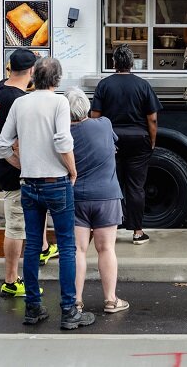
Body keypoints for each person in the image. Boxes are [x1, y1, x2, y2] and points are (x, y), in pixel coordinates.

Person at [0, 57, 95, 330]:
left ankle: (33, 308)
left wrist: (22, 165)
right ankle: (68, 310)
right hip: (57, 182)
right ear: (57, 80)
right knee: (66, 247)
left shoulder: (20, 103)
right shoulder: (60, 103)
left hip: (28, 184)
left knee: (31, 246)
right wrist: (72, 171)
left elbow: (2, 145)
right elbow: (63, 141)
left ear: (34, 76)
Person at [0, 49, 58, 299]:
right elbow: (15, 141)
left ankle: (41, 248)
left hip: (2, 167)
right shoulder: (16, 100)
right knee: (16, 226)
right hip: (12, 170)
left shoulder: (0, 89)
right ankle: (10, 280)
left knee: (34, 212)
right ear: (31, 71)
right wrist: (27, 165)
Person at [65, 88, 129, 315]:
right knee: (106, 248)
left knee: (78, 251)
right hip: (107, 196)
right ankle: (111, 300)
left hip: (76, 197)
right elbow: (113, 148)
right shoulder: (104, 124)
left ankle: (76, 301)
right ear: (87, 107)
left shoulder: (64, 133)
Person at [92, 45, 162, 244]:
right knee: (136, 186)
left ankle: (111, 229)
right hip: (139, 140)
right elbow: (152, 119)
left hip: (110, 140)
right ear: (132, 64)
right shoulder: (143, 85)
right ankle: (138, 232)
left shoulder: (104, 85)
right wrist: (152, 141)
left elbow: (95, 116)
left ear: (114, 63)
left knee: (112, 184)